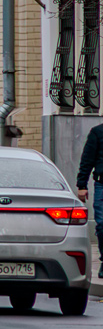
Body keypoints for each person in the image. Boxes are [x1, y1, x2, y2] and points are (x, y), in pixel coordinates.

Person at [76, 118, 103, 277]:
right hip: (102, 185)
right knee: (101, 226)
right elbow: (87, 159)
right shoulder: (98, 132)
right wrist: (82, 185)